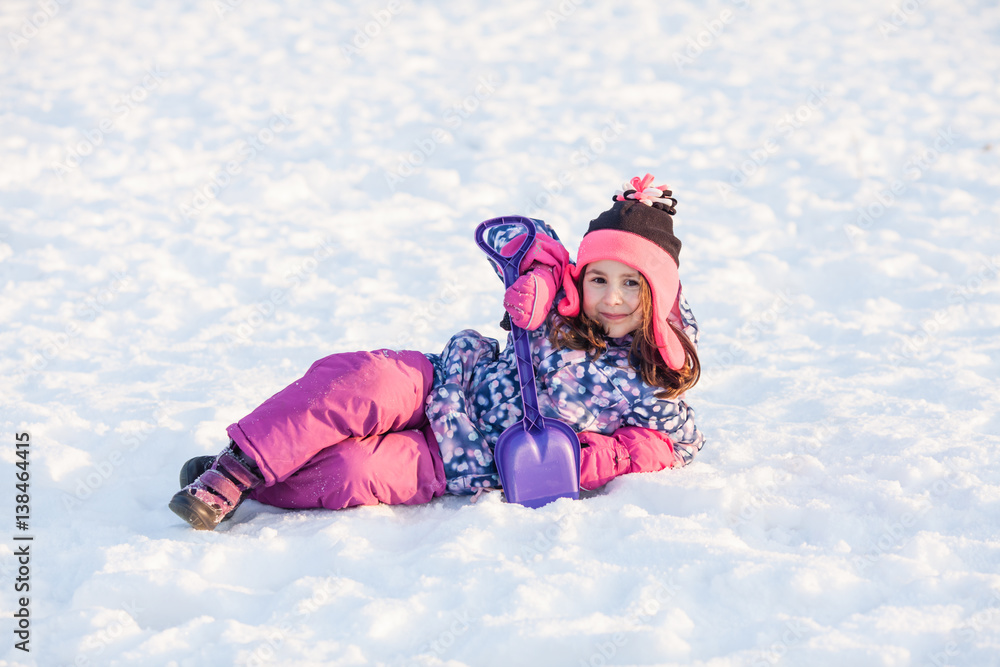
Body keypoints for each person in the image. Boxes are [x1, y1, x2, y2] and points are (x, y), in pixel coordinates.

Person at [169, 174, 705, 530]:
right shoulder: (561, 305)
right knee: (363, 381)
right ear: (580, 277)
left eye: (632, 284)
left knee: (355, 472)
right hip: (446, 381)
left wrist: (592, 459)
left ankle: (263, 479)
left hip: (461, 460)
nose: (612, 298)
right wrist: (538, 288)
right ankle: (238, 466)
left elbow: (668, 445)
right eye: (599, 278)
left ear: (658, 293)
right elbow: (533, 248)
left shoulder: (655, 376)